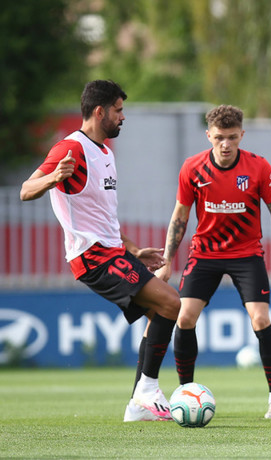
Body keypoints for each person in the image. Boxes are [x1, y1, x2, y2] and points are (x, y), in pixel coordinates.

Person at [20, 80, 180, 422]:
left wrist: (134, 250)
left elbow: (103, 216)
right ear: (99, 111)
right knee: (171, 301)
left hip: (113, 253)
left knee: (159, 314)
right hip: (92, 256)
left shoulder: (104, 153)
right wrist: (52, 178)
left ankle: (138, 406)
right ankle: (147, 390)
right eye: (118, 110)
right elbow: (25, 190)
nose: (122, 117)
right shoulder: (71, 148)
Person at [154, 105, 271, 419]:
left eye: (232, 137)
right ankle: (185, 394)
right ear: (209, 136)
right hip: (205, 254)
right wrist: (166, 260)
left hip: (246, 254)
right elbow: (179, 218)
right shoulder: (192, 168)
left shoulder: (259, 167)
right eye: (219, 137)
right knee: (185, 317)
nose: (226, 143)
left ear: (241, 135)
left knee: (260, 319)